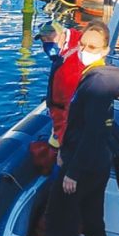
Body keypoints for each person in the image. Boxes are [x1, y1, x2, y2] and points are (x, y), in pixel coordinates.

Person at [18, 21, 119, 236]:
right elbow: (99, 129)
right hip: (96, 163)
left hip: (80, 166)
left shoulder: (96, 84)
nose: (85, 51)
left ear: (105, 49)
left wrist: (72, 171)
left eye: (92, 47)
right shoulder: (103, 77)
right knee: (94, 226)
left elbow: (91, 132)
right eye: (84, 45)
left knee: (54, 223)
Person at [36, 20, 83, 149]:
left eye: (49, 37)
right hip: (58, 114)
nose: (46, 42)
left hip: (67, 118)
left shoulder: (77, 53)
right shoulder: (62, 52)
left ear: (62, 34)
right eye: (43, 39)